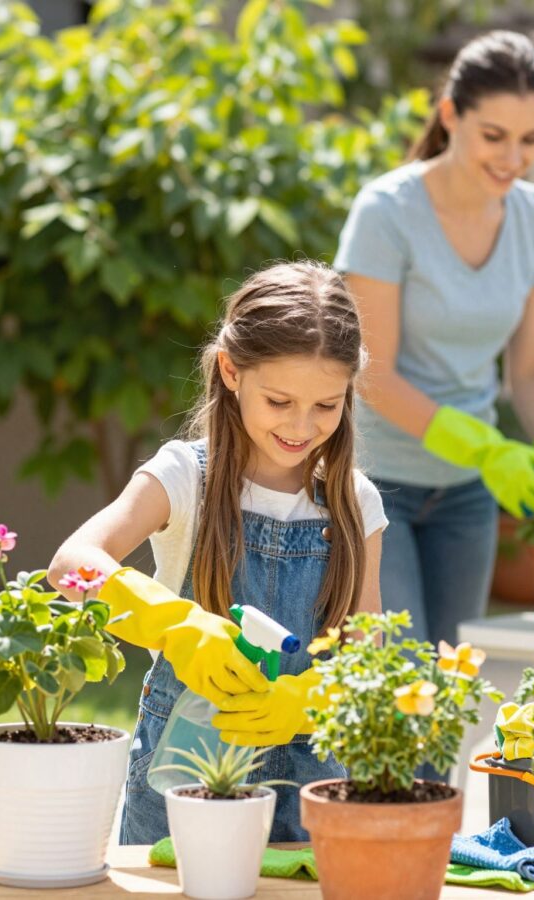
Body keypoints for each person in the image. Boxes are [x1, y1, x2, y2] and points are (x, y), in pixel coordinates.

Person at [50, 260, 387, 844]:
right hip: (183, 769)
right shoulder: (186, 477)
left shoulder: (354, 501)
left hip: (315, 780)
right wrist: (177, 627)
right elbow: (72, 561)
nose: (301, 425)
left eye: (326, 405)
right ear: (232, 371)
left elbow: (369, 653)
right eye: (278, 401)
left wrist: (309, 700)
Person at [335, 30, 534, 653]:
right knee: (399, 673)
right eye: (494, 136)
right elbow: (370, 373)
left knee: (449, 677)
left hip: (467, 496)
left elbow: (529, 371)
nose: (513, 158)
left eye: (531, 139)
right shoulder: (387, 212)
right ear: (450, 115)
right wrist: (484, 447)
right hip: (376, 483)